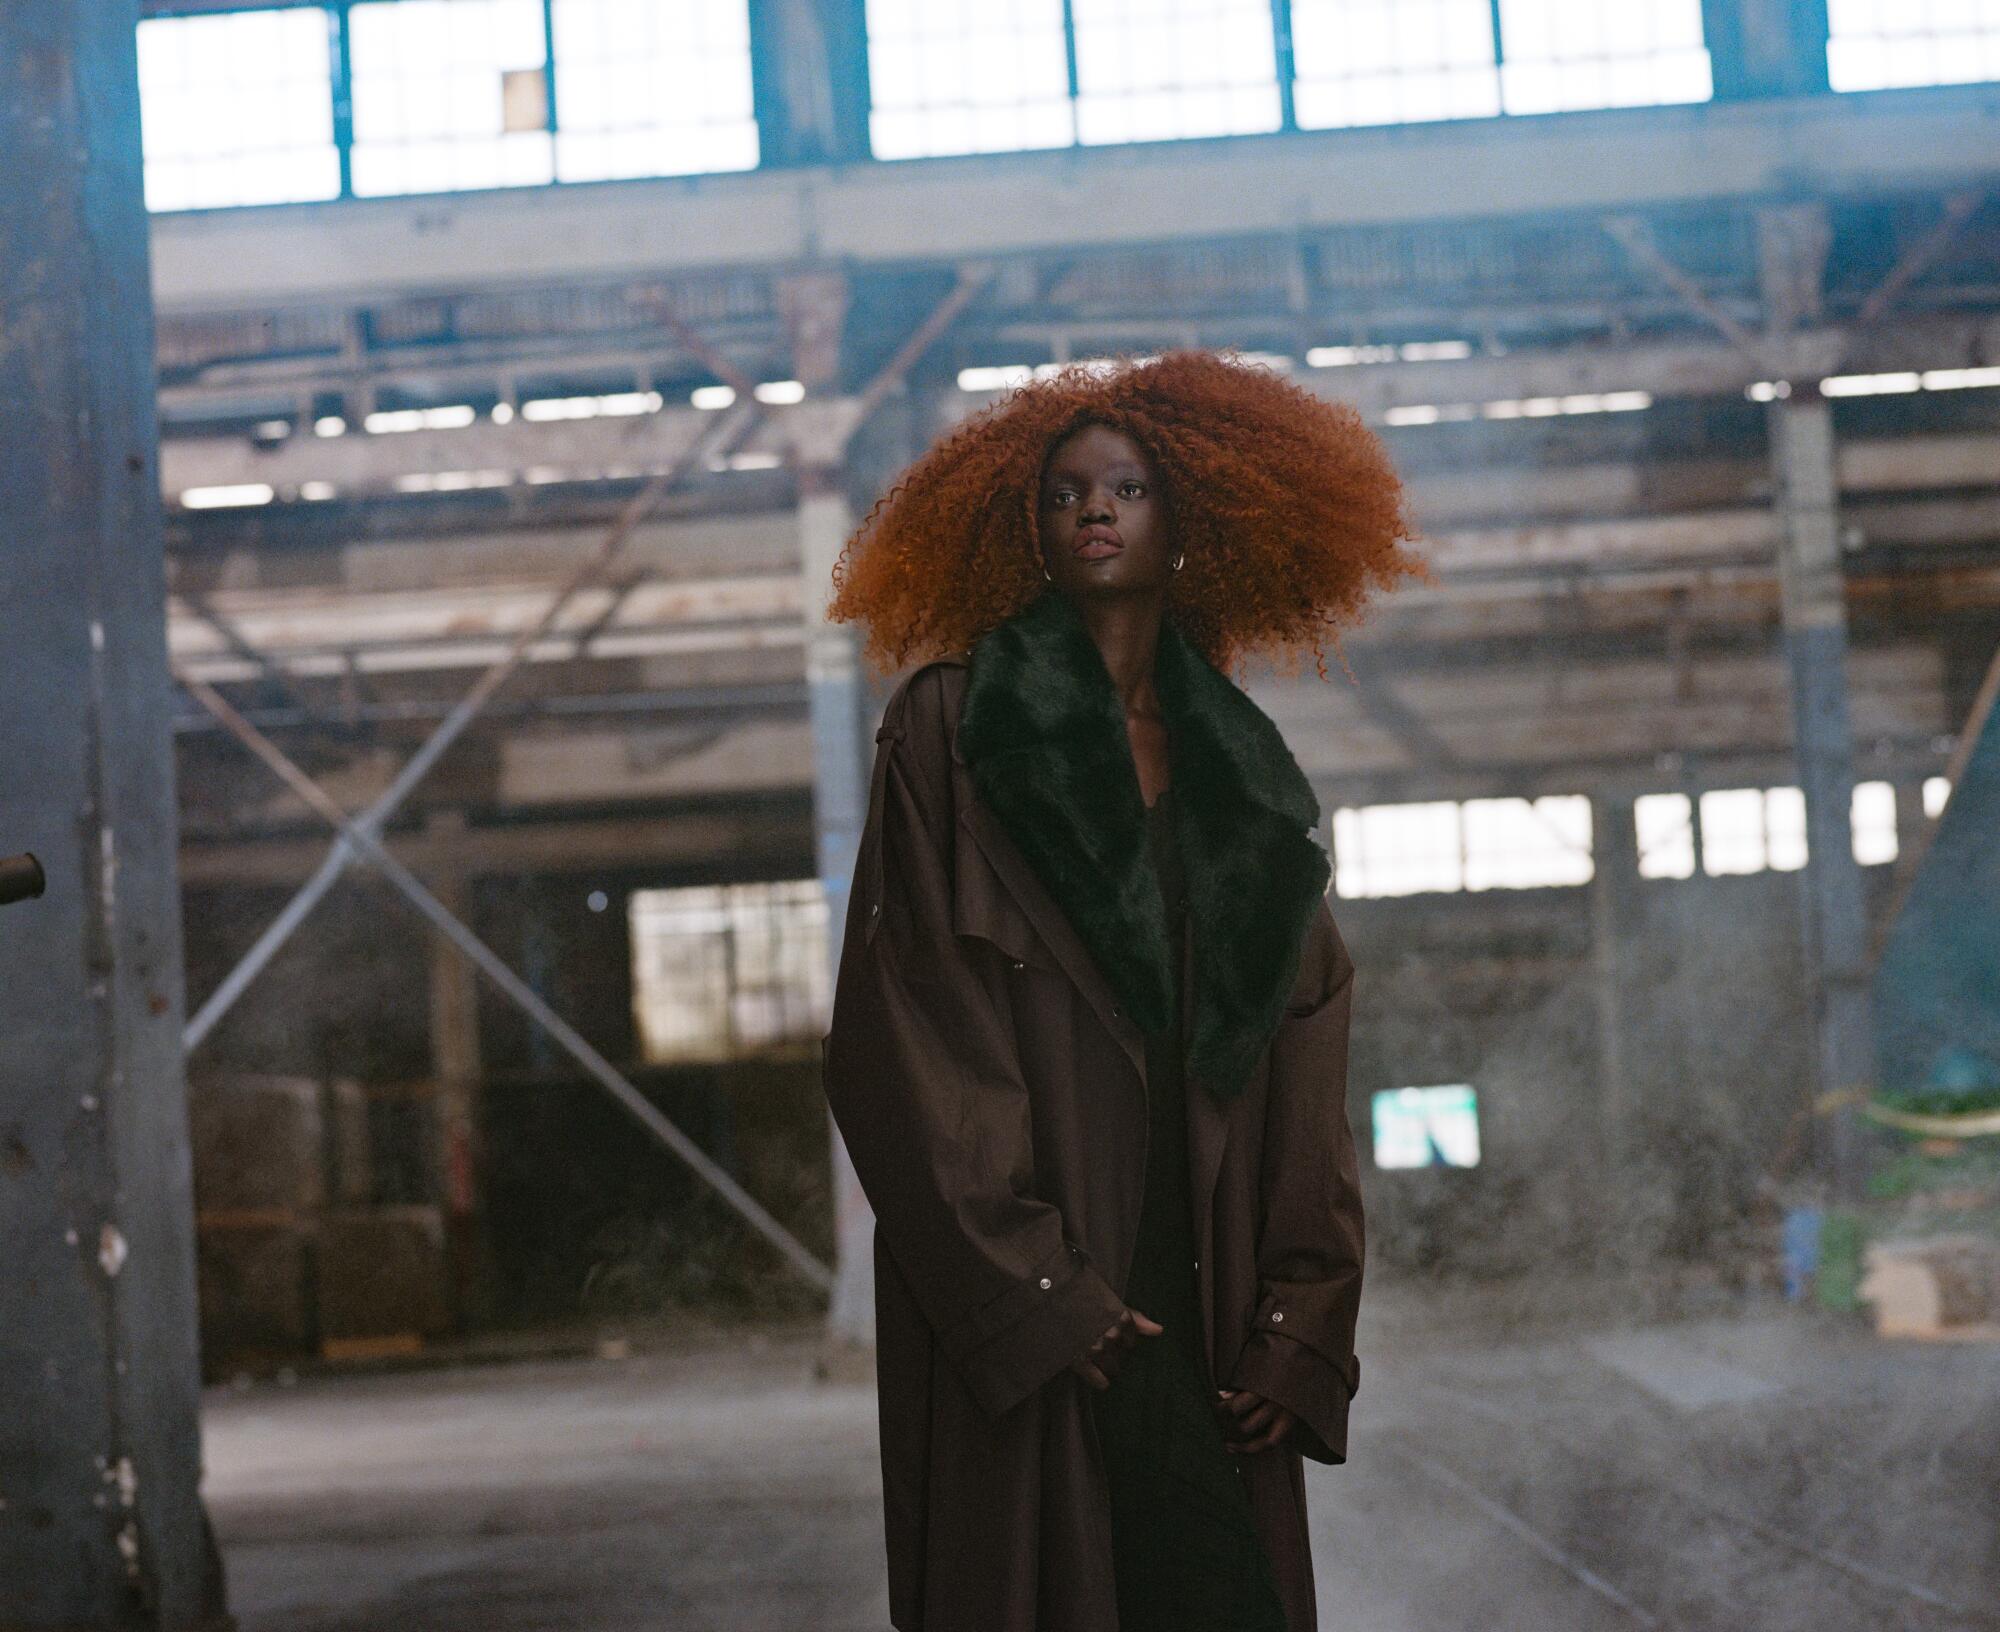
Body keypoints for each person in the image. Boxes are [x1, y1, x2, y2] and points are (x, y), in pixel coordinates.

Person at [819, 350, 1427, 1631]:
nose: (1093, 509)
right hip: (1058, 1275)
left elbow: (1308, 1051)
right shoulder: (952, 728)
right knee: (1064, 1585)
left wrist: (1298, 1315)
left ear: (1192, 521)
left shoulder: (1244, 773)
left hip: (1211, 1284)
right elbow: (902, 1027)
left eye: (1129, 487)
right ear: (1023, 530)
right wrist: (1030, 1285)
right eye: (1063, 492)